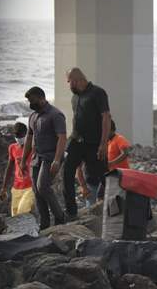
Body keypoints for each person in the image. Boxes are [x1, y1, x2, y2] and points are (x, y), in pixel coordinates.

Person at [63, 67, 111, 219]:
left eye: (70, 82)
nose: (69, 86)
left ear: (77, 80)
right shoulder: (75, 97)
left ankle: (117, 206)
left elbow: (106, 117)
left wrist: (103, 143)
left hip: (94, 143)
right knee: (67, 173)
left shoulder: (97, 93)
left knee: (104, 175)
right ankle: (71, 211)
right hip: (76, 141)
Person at [21, 87, 66, 230]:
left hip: (51, 157)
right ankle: (45, 223)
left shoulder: (55, 114)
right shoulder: (32, 116)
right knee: (36, 190)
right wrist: (23, 160)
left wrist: (57, 160)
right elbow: (29, 138)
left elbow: (62, 138)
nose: (30, 103)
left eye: (32, 100)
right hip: (36, 157)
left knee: (43, 187)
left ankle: (60, 217)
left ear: (41, 98)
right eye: (28, 101)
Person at [76, 119, 131, 207]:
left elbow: (126, 152)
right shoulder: (92, 143)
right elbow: (78, 167)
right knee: (93, 206)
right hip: (94, 181)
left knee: (114, 205)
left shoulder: (117, 139)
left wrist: (111, 163)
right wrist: (83, 186)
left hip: (116, 178)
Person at [0, 122, 35, 216]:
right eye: (16, 135)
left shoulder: (33, 147)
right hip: (16, 188)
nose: (18, 138)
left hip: (30, 187)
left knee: (22, 213)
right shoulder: (12, 148)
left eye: (21, 135)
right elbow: (9, 168)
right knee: (15, 217)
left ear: (26, 134)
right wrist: (4, 188)